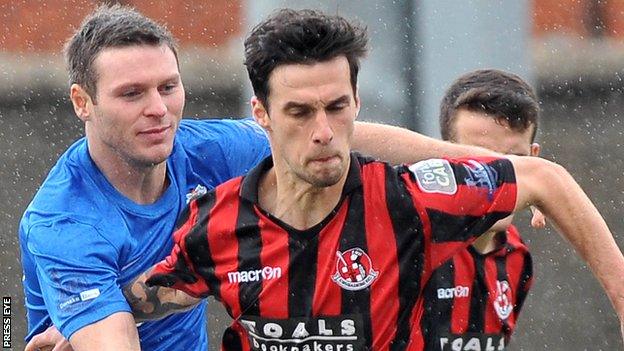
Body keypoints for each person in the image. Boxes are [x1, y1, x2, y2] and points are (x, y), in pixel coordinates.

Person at [122, 9, 624, 351]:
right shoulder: (216, 220)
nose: (323, 133)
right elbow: (153, 295)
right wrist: (78, 327)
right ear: (262, 115)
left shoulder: (409, 199)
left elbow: (543, 177)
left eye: (337, 108)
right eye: (299, 112)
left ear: (356, 105)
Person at [19, 4, 507, 351]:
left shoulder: (206, 149)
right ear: (82, 102)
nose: (159, 110)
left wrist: (481, 162)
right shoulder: (63, 222)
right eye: (131, 94)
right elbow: (114, 341)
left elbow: (352, 137)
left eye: (168, 87)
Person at [417, 69, 542, 350]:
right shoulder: (406, 242)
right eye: (479, 162)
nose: (498, 178)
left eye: (514, 161)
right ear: (444, 158)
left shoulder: (517, 256)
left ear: (536, 162)